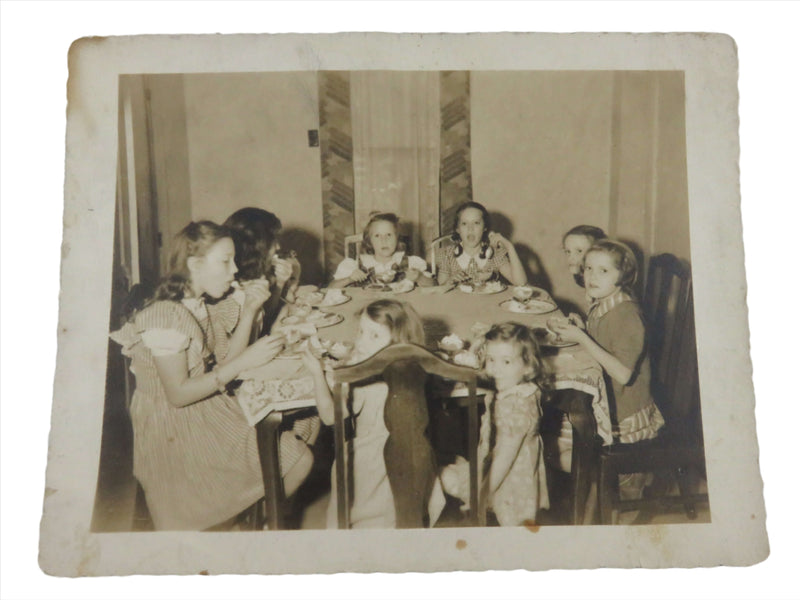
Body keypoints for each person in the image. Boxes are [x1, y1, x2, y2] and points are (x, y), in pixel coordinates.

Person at [109, 221, 313, 530]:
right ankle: (249, 526)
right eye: (225, 261)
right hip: (174, 426)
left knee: (300, 440)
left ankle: (251, 524)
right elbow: (177, 395)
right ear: (195, 265)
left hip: (204, 409)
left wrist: (249, 313)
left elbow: (227, 361)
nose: (234, 270)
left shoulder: (197, 306)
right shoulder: (164, 315)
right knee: (295, 459)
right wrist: (245, 359)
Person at [302, 299, 443, 528]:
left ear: (398, 343)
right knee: (399, 516)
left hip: (370, 461)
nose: (360, 341)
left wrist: (317, 374)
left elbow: (329, 416)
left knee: (368, 520)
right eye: (360, 331)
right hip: (414, 455)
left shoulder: (364, 378)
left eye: (374, 336)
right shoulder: (413, 367)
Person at [547, 239, 665, 500]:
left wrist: (582, 338)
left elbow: (623, 374)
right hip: (607, 396)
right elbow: (605, 343)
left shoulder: (626, 315)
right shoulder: (604, 302)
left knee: (559, 453)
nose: (591, 276)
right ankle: (597, 486)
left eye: (603, 271)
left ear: (623, 276)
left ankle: (621, 483)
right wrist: (584, 328)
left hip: (622, 410)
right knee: (554, 445)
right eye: (588, 268)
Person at [441, 322, 550, 526]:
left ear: (528, 366)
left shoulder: (516, 406)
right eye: (491, 359)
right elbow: (478, 364)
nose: (495, 368)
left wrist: (481, 495)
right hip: (507, 469)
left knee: (511, 529)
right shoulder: (522, 389)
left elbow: (504, 458)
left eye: (506, 362)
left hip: (510, 481)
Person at [224, 207, 301, 338]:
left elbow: (264, 323)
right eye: (272, 242)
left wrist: (280, 284)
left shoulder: (253, 277)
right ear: (257, 246)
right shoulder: (231, 291)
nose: (278, 247)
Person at [329, 212, 433, 288]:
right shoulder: (354, 265)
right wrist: (349, 279)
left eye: (389, 235)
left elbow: (434, 286)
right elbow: (330, 289)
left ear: (397, 238)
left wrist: (419, 277)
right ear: (369, 241)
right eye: (377, 236)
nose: (384, 240)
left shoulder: (412, 263)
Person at [436, 202, 526, 287]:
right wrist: (451, 280)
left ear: (484, 227)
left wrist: (509, 246)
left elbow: (521, 283)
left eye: (476, 223)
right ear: (457, 229)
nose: (470, 228)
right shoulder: (448, 255)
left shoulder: (494, 254)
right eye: (464, 224)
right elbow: (440, 290)